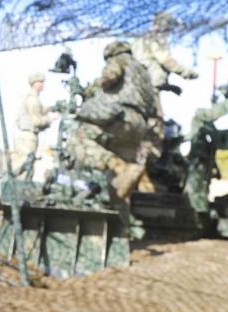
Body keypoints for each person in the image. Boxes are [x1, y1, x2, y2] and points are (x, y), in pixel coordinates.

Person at [67, 41, 159, 199]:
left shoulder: (120, 60)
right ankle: (124, 220)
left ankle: (120, 167)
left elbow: (110, 77)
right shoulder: (143, 72)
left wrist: (94, 88)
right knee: (120, 184)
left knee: (76, 139)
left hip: (121, 118)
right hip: (139, 126)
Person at [131, 12, 199, 94]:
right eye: (169, 28)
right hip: (150, 76)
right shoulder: (157, 37)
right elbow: (165, 60)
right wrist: (187, 72)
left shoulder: (142, 36)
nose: (170, 32)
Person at [12, 72, 54, 176]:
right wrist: (50, 119)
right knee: (25, 168)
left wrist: (50, 109)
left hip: (26, 136)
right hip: (28, 137)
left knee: (27, 167)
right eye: (40, 82)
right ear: (34, 83)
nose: (42, 85)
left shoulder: (31, 97)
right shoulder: (33, 99)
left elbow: (39, 110)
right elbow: (37, 121)